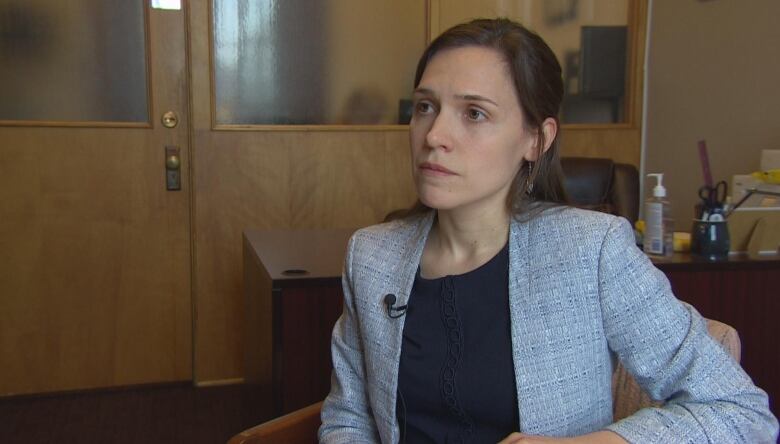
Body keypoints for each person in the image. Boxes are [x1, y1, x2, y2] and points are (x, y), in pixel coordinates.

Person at [318, 18, 778, 443]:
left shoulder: (592, 251)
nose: (435, 134)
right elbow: (349, 418)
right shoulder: (372, 256)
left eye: (474, 113)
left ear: (536, 139)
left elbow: (741, 412)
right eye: (424, 107)